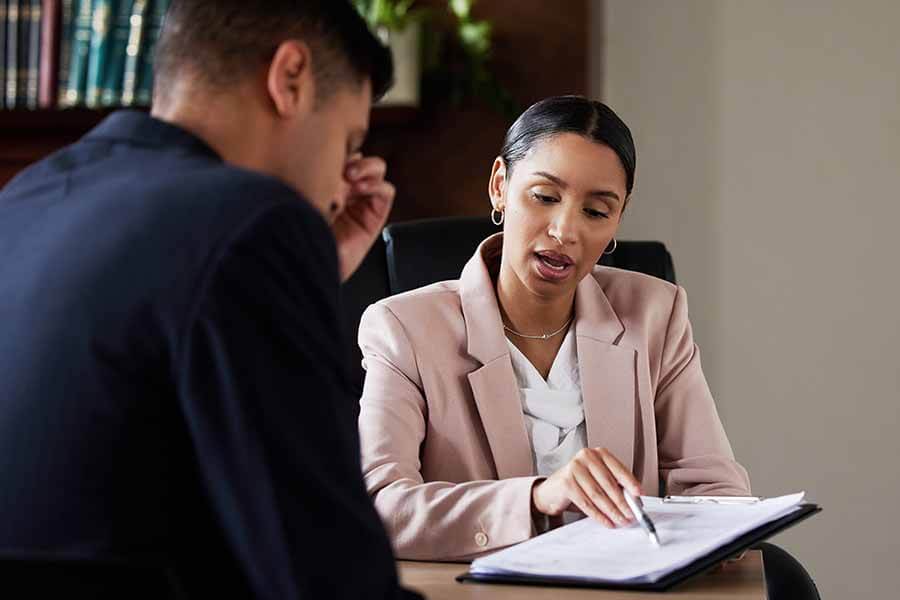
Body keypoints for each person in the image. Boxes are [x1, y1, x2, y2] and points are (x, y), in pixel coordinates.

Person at [0, 1, 420, 598]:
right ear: (290, 77)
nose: (338, 186)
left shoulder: (27, 197)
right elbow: (323, 567)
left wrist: (314, 272)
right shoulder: (253, 219)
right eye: (348, 141)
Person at [358, 96, 751, 561]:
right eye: (545, 197)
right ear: (500, 186)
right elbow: (380, 508)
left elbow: (716, 489)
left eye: (597, 211)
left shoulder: (655, 314)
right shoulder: (404, 329)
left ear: (618, 217)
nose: (565, 231)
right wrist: (537, 497)